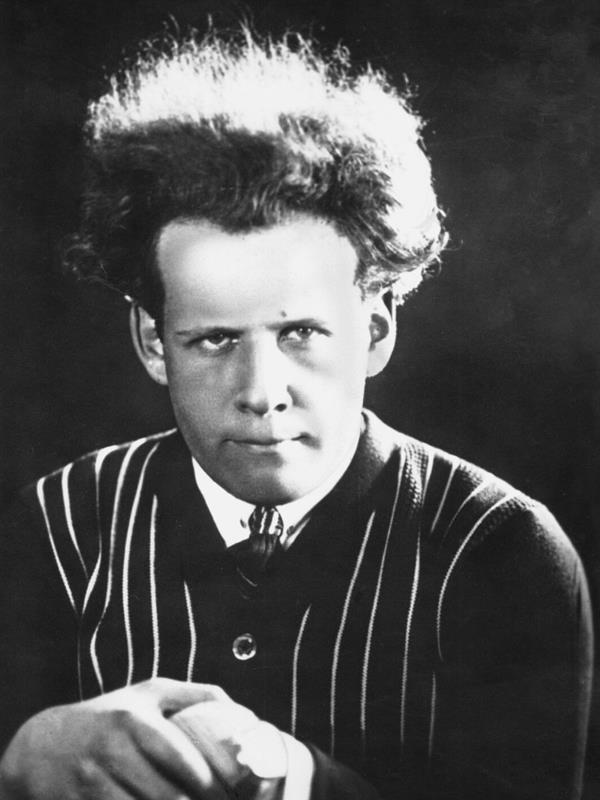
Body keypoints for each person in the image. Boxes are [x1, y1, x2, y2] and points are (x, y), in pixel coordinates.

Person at [0, 27, 593, 800]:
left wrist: (295, 778)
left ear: (375, 331)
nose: (262, 391)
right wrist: (19, 756)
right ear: (152, 341)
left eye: (301, 334)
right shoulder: (57, 531)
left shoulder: (501, 550)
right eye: (214, 339)